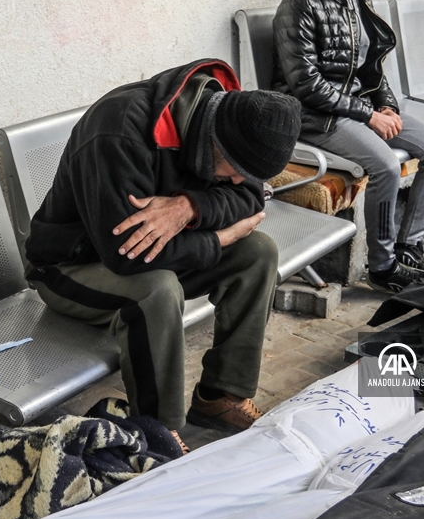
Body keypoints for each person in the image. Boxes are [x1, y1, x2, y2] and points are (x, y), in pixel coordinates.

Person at [24, 59, 301, 446]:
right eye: (234, 168)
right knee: (157, 289)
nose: (237, 179)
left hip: (154, 256)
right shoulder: (118, 130)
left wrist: (188, 207)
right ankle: (158, 431)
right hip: (69, 268)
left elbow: (251, 198)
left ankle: (221, 396)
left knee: (258, 252)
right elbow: (126, 256)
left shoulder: (229, 117)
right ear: (214, 139)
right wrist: (217, 239)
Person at [272, 0, 424, 293]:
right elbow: (305, 84)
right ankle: (383, 265)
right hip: (314, 117)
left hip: (358, 109)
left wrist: (387, 105)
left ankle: (408, 246)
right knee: (386, 167)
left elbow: (373, 66)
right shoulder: (299, 3)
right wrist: (369, 116)